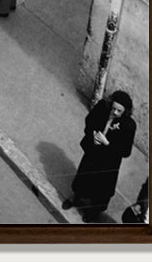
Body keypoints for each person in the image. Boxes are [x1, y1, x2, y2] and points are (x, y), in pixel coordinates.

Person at [63, 91, 137, 219]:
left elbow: (125, 151)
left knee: (101, 187)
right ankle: (76, 197)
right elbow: (89, 121)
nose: (114, 113)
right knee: (84, 176)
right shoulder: (103, 107)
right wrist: (93, 134)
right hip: (94, 153)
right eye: (113, 108)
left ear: (125, 112)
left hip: (109, 161)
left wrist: (107, 143)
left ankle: (92, 212)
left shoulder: (128, 126)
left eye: (119, 111)